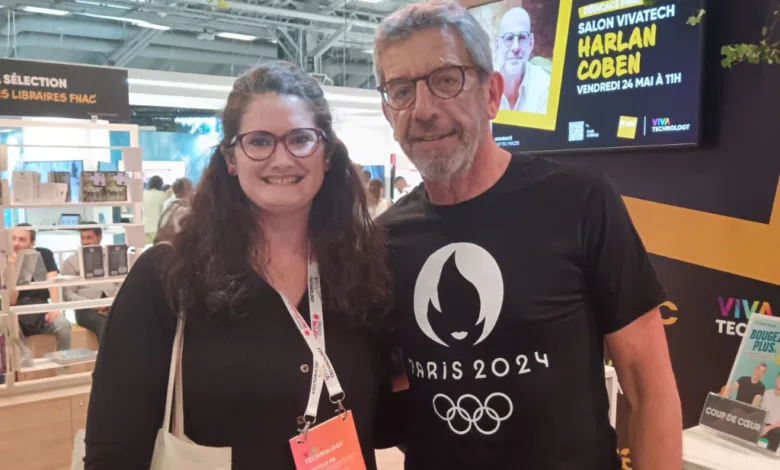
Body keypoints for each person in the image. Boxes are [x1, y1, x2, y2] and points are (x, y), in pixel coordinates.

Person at [373, 2, 681, 469]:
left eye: (446, 80)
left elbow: (648, 385)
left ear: (492, 93)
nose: (424, 110)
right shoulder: (384, 240)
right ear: (387, 110)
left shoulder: (578, 201)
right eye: (401, 90)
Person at [84, 61, 399, 469]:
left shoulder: (364, 271)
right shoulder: (167, 279)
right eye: (260, 141)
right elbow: (113, 451)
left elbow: (388, 422)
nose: (282, 158)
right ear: (231, 157)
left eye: (301, 139)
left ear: (326, 154)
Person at [10, 224, 71, 351]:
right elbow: (12, 300)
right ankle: (22, 368)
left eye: (22, 239)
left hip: (42, 308)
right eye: (13, 238)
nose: (16, 243)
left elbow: (52, 282)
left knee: (64, 325)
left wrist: (54, 307)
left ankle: (63, 369)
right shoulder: (5, 259)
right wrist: (13, 268)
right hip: (16, 311)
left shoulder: (44, 254)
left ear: (32, 243)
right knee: (11, 330)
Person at [61, 222, 119, 342]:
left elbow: (121, 283)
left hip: (112, 304)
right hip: (85, 309)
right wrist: (92, 304)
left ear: (100, 238)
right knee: (104, 325)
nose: (85, 242)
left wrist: (113, 299)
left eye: (89, 238)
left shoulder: (111, 256)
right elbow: (68, 294)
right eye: (82, 238)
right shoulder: (70, 262)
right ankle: (107, 360)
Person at [495, 7, 550, 113]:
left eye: (522, 38)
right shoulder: (484, 86)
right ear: (497, 46)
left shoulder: (545, 85)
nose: (516, 47)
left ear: (530, 43)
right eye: (509, 38)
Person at [142, 175, 167, 244]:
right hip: (157, 227)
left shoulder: (143, 194)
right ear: (160, 184)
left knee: (146, 249)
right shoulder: (162, 195)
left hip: (145, 226)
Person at [761, 372, 780, 452]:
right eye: (779, 379)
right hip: (764, 422)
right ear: (776, 379)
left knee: (777, 433)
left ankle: (769, 455)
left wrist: (768, 428)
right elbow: (762, 411)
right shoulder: (767, 393)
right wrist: (762, 425)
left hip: (776, 426)